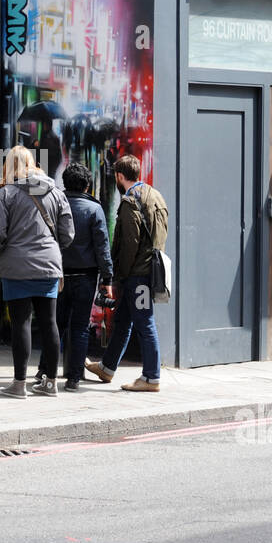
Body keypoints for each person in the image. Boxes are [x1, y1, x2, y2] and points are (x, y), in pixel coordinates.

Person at [0, 145, 74, 398]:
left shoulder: (6, 194)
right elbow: (68, 233)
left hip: (16, 267)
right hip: (48, 265)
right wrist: (51, 247)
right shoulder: (55, 192)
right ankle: (50, 383)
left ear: (9, 166)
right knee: (49, 322)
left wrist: (1, 251)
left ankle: (19, 384)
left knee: (20, 323)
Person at [86, 155, 168, 392]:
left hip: (137, 274)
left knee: (145, 322)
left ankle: (151, 378)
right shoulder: (155, 195)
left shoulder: (131, 201)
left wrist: (119, 274)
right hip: (146, 269)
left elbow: (130, 242)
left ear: (120, 176)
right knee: (123, 320)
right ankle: (107, 368)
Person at [57, 161, 114, 391]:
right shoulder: (94, 209)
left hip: (58, 275)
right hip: (86, 277)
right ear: (87, 185)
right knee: (80, 327)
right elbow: (102, 247)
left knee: (56, 325)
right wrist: (107, 278)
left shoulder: (56, 204)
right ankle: (73, 379)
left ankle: (45, 371)